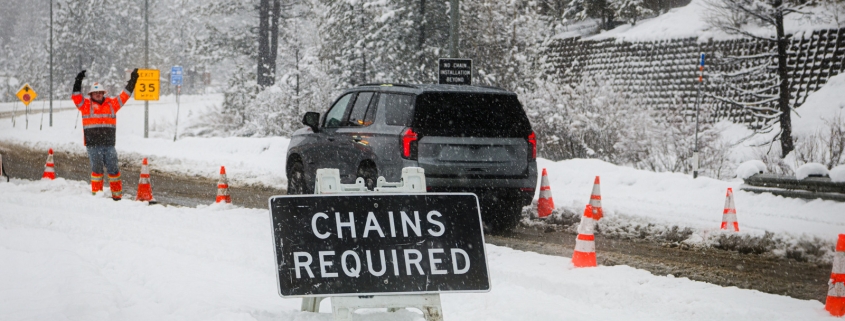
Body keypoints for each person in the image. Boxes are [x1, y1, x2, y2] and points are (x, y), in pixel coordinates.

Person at [72, 69, 139, 200]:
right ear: (91, 94)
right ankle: (97, 195)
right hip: (93, 145)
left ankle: (117, 195)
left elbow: (125, 96)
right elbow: (76, 96)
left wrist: (133, 81)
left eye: (99, 92)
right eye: (95, 93)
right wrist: (78, 80)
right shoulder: (85, 105)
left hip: (109, 145)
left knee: (113, 170)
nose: (97, 95)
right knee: (97, 171)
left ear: (103, 93)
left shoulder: (112, 105)